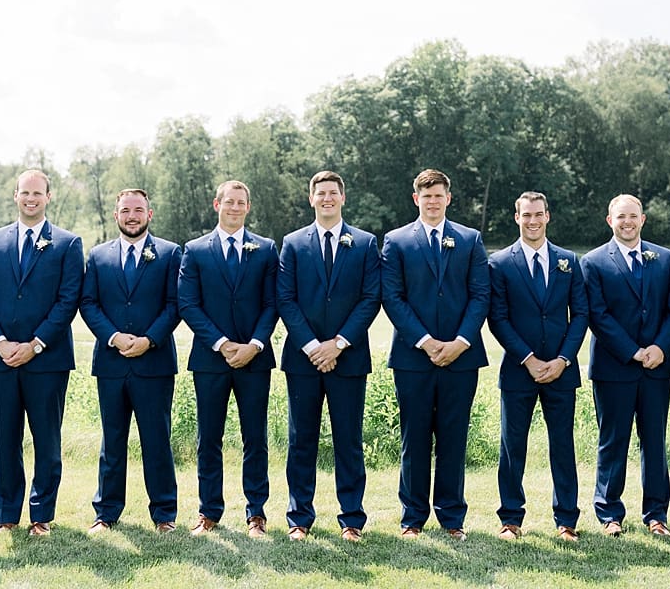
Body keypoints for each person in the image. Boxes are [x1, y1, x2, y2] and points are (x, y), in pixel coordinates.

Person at [0, 169, 83, 536]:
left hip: (47, 359)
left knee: (46, 439)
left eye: (37, 193)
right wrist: (0, 343)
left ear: (48, 196)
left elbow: (68, 301)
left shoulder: (67, 243)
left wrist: (35, 344)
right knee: (5, 439)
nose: (30, 198)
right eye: (24, 193)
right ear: (15, 195)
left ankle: (41, 516)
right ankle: (6, 515)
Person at [381, 168, 489, 541]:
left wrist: (460, 341)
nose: (433, 201)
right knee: (414, 438)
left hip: (462, 357)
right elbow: (392, 298)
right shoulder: (396, 241)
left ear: (448, 198)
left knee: (453, 437)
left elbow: (480, 295)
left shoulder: (470, 239)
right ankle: (412, 517)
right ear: (416, 199)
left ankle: (452, 517)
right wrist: (425, 341)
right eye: (426, 196)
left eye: (439, 195)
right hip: (413, 358)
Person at [277, 171, 381, 542]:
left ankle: (351, 518)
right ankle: (299, 518)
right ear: (311, 199)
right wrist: (312, 346)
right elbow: (285, 299)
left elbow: (371, 299)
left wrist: (338, 344)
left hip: (348, 358)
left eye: (333, 193)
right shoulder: (292, 243)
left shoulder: (366, 243)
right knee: (300, 439)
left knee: (348, 440)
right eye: (320, 193)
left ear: (343, 197)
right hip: (302, 359)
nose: (327, 199)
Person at [178, 180, 278, 537]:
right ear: (216, 203)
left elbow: (272, 304)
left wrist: (253, 344)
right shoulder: (195, 250)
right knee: (209, 438)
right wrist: (222, 344)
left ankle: (257, 513)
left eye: (241, 203)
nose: (234, 208)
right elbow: (188, 304)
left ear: (248, 207)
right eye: (229, 202)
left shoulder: (266, 249)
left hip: (254, 359)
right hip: (210, 359)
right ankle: (209, 512)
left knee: (255, 438)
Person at [487, 191, 589, 543]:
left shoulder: (568, 261)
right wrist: (528, 359)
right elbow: (497, 319)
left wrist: (563, 360)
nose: (533, 221)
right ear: (516, 218)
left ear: (548, 216)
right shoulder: (499, 263)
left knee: (562, 445)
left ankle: (566, 520)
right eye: (526, 215)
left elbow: (581, 316)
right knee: (512, 446)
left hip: (561, 370)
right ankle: (511, 519)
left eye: (538, 215)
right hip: (519, 370)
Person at [80, 189, 181, 534]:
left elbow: (174, 304)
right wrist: (115, 337)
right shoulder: (97, 255)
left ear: (149, 214)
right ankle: (106, 513)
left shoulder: (169, 253)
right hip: (111, 362)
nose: (132, 216)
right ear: (116, 215)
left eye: (139, 210)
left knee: (157, 440)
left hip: (154, 363)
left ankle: (164, 513)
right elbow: (89, 303)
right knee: (112, 440)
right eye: (126, 210)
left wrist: (148, 340)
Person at [580, 194, 670, 537]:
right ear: (610, 221)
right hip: (614, 366)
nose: (627, 222)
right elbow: (598, 315)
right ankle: (610, 514)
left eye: (633, 216)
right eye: (621, 216)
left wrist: (659, 347)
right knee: (613, 440)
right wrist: (633, 351)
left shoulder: (665, 259)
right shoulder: (593, 262)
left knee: (654, 441)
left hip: (657, 366)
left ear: (643, 219)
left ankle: (656, 514)